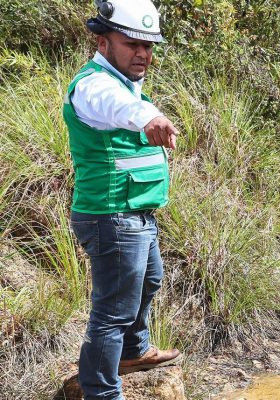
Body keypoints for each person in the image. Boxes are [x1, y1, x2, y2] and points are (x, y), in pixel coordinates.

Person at [65, 1, 182, 398]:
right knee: (112, 311)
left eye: (149, 47)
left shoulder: (126, 84)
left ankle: (133, 352)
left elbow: (132, 102)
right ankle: (100, 390)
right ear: (103, 41)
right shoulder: (93, 84)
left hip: (134, 211)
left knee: (150, 281)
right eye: (132, 43)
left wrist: (149, 112)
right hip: (110, 214)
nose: (143, 54)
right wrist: (148, 118)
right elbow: (118, 107)